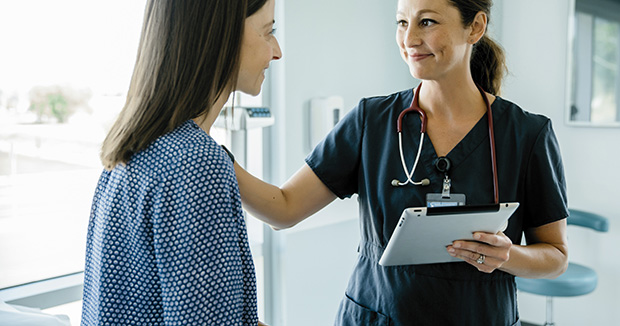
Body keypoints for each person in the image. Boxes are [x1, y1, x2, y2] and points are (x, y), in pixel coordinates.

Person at [233, 0, 568, 325]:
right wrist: (217, 156)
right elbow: (284, 209)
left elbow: (555, 257)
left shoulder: (527, 134)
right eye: (402, 22)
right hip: (376, 315)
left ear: (475, 28)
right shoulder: (371, 121)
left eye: (427, 22)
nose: (409, 40)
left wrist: (508, 255)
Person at [80, 0, 281, 325]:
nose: (277, 51)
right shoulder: (197, 165)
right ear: (221, 36)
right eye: (268, 32)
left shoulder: (131, 147)